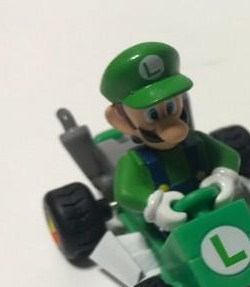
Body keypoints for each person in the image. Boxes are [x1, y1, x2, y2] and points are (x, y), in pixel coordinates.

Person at [101, 41, 241, 232]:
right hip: (168, 227)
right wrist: (154, 203)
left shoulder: (198, 141)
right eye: (152, 115)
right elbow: (125, 193)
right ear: (123, 123)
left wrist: (223, 175)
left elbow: (228, 156)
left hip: (213, 203)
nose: (170, 125)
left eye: (171, 107)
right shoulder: (133, 162)